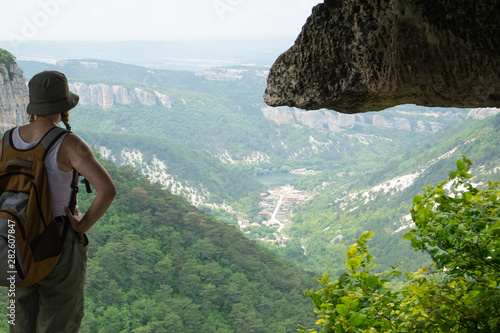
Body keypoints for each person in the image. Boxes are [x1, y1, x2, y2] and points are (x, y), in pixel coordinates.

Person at [0, 70, 116, 332]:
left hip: (15, 237)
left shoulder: (6, 140)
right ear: (63, 106)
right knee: (59, 318)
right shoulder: (69, 143)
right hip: (58, 238)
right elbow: (107, 190)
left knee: (19, 317)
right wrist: (81, 225)